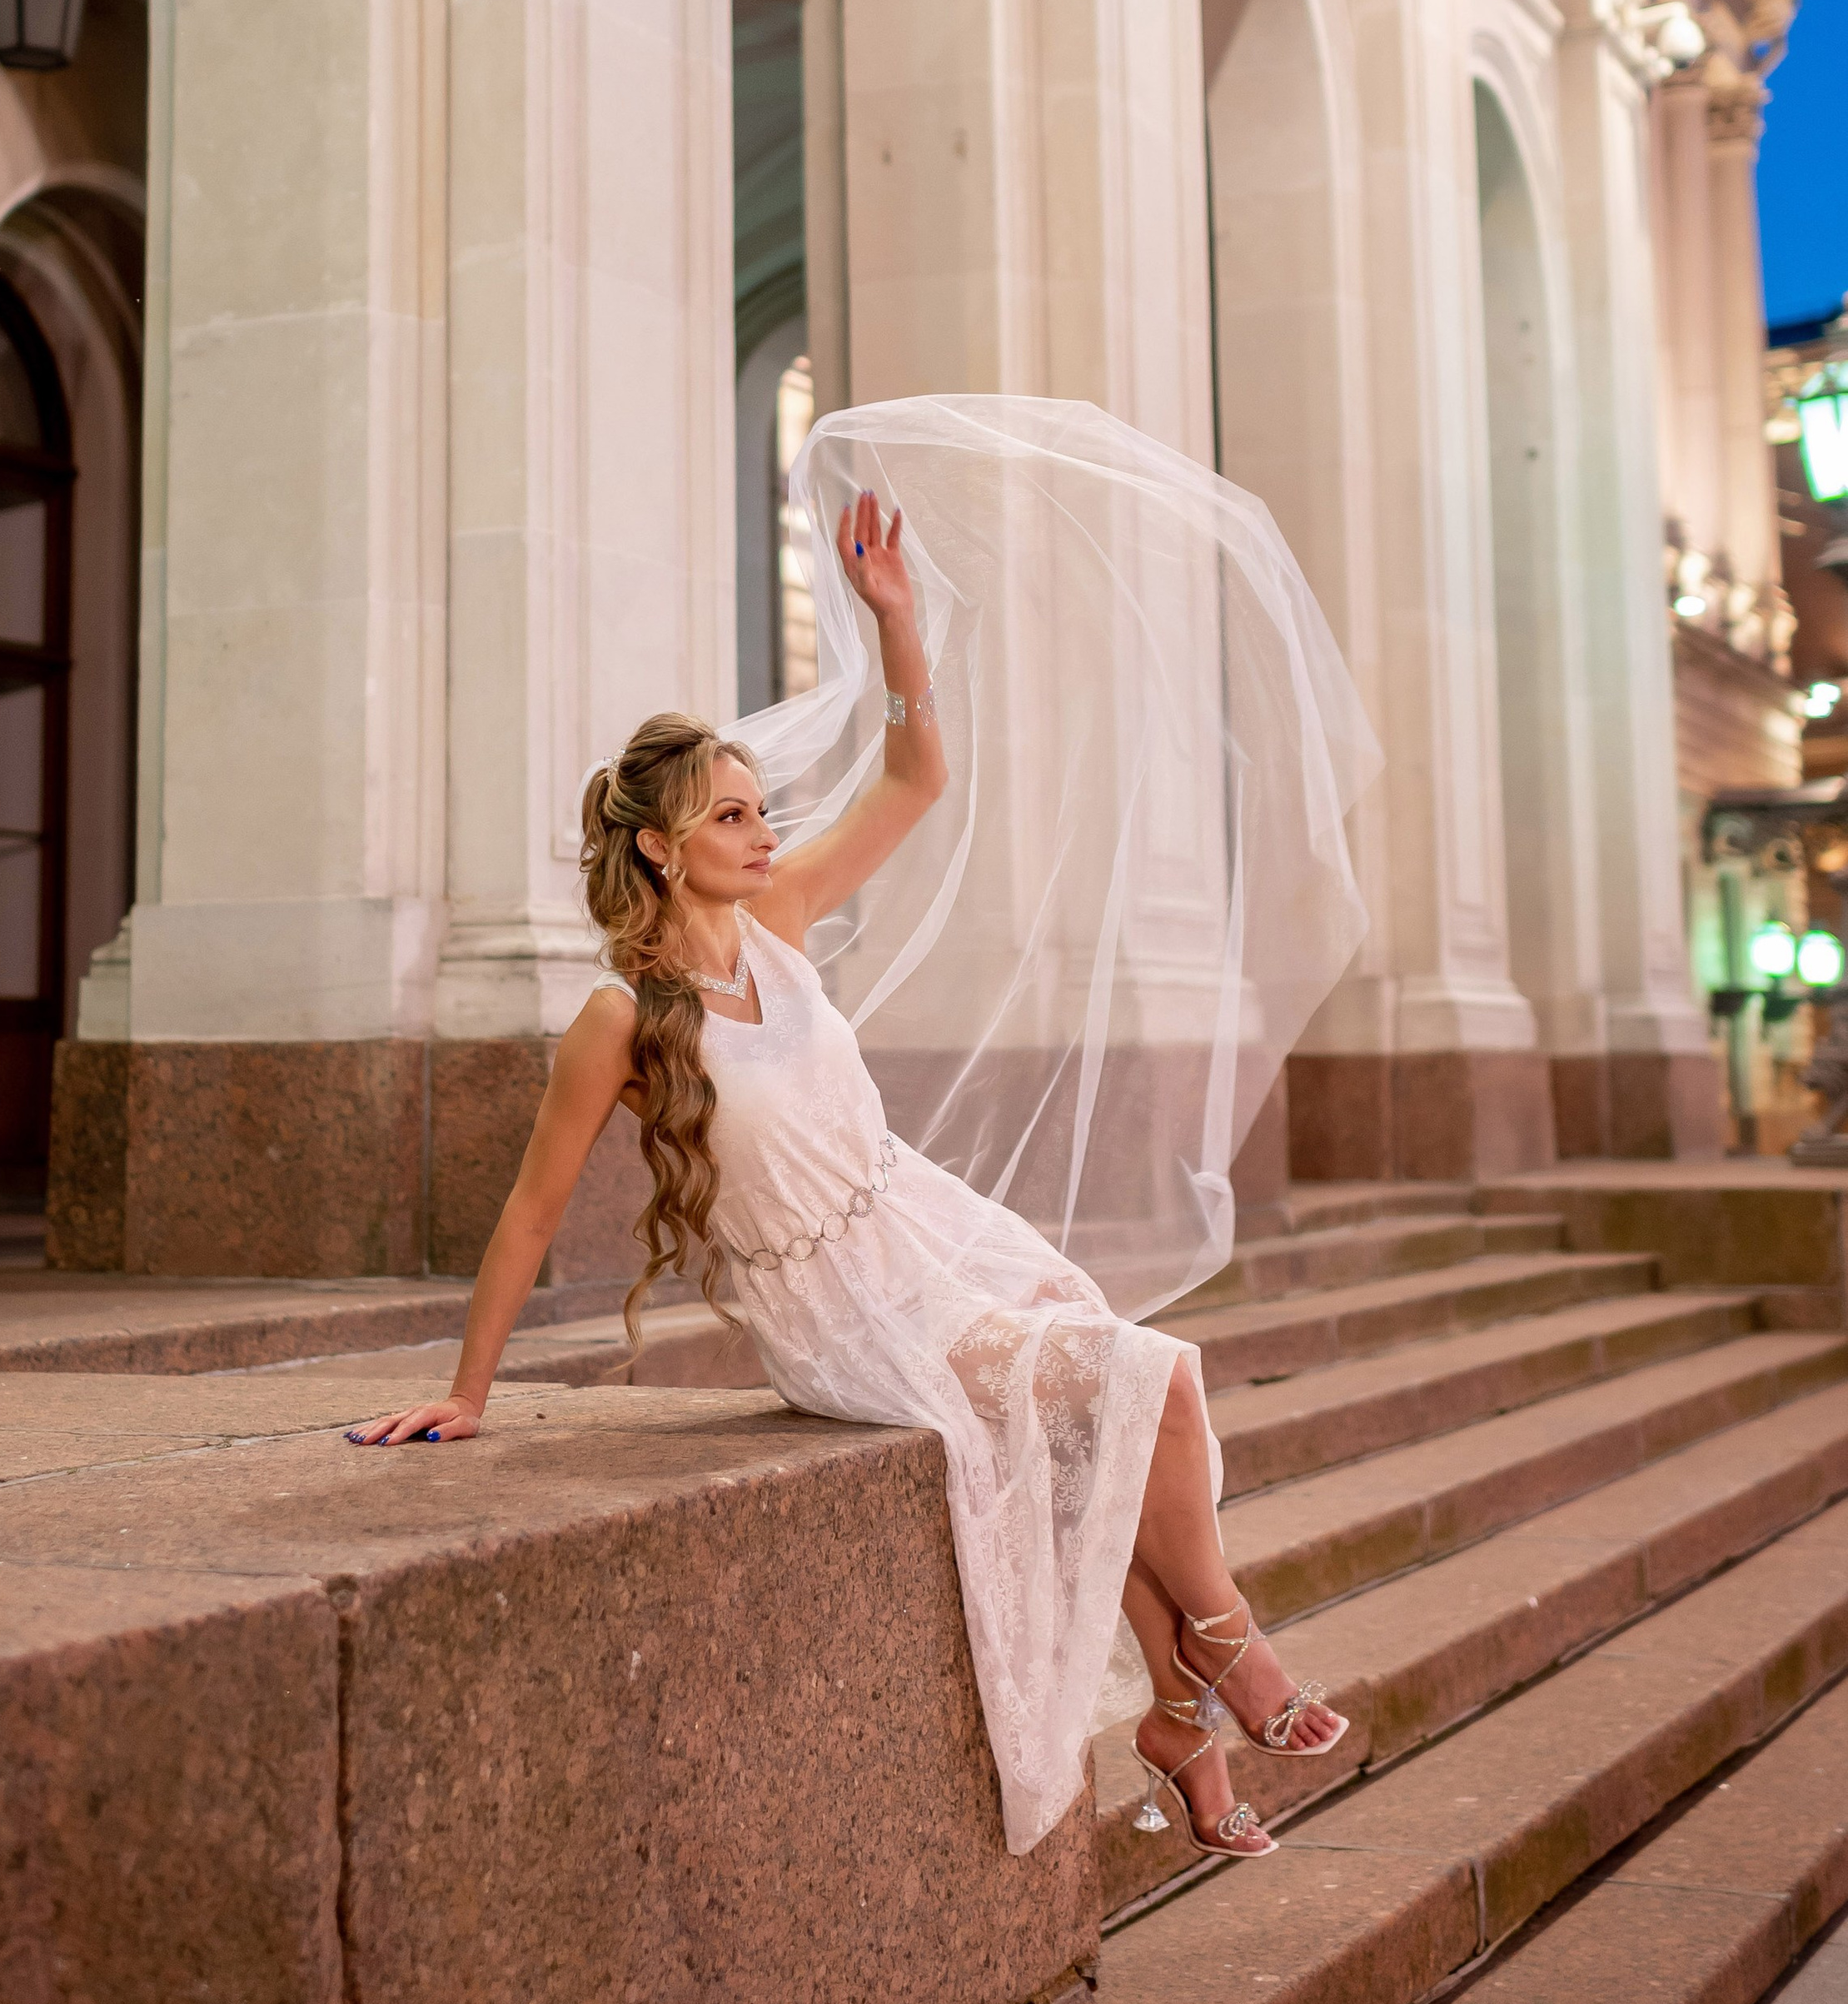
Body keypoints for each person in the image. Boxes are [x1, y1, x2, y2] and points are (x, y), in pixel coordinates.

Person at [349, 486, 1346, 1858]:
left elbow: (917, 781)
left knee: (1134, 1386)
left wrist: (899, 628)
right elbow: (528, 1210)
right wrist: (468, 1394)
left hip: (929, 1234)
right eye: (730, 821)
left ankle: (1182, 1706)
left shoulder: (785, 918)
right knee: (1141, 1381)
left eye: (763, 813)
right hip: (835, 1309)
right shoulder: (622, 1019)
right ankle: (1229, 1658)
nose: (763, 837)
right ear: (658, 845)